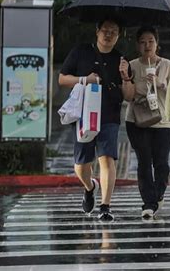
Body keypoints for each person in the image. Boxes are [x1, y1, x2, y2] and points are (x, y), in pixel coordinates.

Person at [59, 18, 133, 221]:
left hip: (109, 115)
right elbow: (62, 78)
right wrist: (85, 80)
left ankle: (105, 206)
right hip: (83, 116)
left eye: (114, 31)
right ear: (97, 31)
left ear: (119, 36)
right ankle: (90, 186)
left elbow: (128, 95)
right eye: (105, 30)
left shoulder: (121, 60)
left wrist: (125, 76)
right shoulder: (81, 52)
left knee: (107, 158)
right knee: (81, 164)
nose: (108, 35)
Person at [123, 26, 170, 219]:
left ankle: (158, 193)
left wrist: (161, 84)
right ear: (138, 45)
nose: (147, 45)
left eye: (151, 41)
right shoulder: (132, 65)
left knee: (161, 163)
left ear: (157, 44)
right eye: (143, 42)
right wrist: (131, 80)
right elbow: (127, 97)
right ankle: (148, 203)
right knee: (144, 162)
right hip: (136, 120)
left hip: (163, 121)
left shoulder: (167, 65)